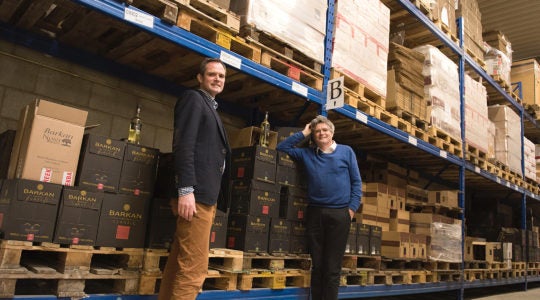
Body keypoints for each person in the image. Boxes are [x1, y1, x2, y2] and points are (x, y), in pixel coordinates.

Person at [159, 58, 231, 300]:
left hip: (202, 196)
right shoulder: (194, 99)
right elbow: (184, 145)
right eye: (212, 74)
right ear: (200, 78)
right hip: (195, 196)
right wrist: (186, 189)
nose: (217, 79)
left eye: (221, 76)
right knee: (194, 269)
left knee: (179, 263)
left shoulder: (209, 107)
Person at [276, 115, 362, 300]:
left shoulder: (346, 152)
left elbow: (356, 183)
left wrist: (351, 210)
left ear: (332, 132)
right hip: (315, 213)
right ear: (313, 136)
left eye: (325, 130)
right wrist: (304, 132)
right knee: (318, 265)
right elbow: (282, 147)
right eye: (317, 131)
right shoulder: (307, 154)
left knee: (332, 267)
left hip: (340, 214)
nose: (322, 133)